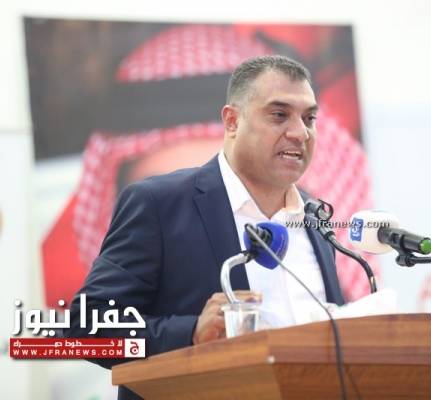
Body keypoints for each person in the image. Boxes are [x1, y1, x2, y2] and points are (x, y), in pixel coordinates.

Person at [64, 55, 345, 400]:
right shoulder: (159, 204)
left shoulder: (315, 219)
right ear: (232, 121)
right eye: (279, 115)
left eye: (309, 118)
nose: (300, 132)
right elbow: (86, 328)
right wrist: (191, 333)